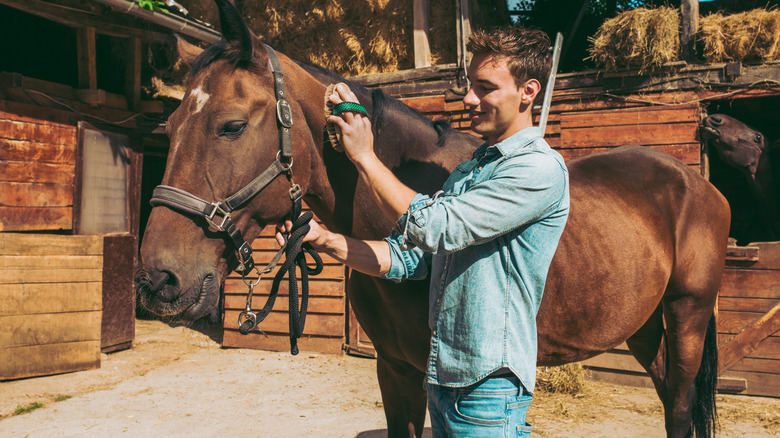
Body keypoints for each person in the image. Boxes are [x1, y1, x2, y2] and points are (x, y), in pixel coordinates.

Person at [278, 25, 569, 438]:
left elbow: (438, 227)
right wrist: (326, 241)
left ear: (528, 91)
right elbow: (410, 259)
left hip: (488, 388)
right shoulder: (471, 171)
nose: (469, 98)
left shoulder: (537, 170)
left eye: (485, 87)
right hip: (442, 379)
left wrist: (364, 155)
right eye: (471, 85)